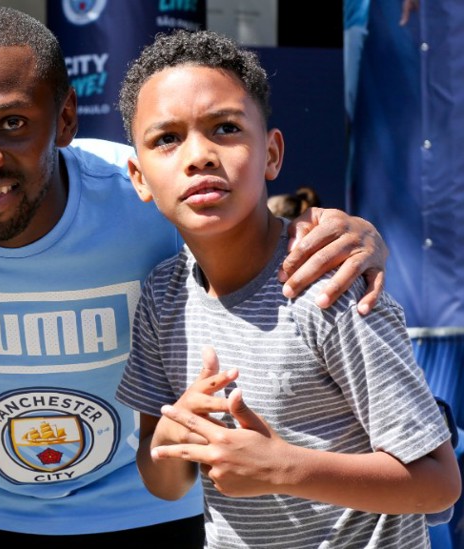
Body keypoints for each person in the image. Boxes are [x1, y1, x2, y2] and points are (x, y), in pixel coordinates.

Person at [0, 6, 389, 547]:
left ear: (66, 118)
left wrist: (349, 232)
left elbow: (250, 227)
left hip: (153, 510)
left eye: (13, 123)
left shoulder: (139, 193)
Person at [115, 30, 459, 548]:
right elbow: (164, 481)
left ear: (272, 153)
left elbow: (438, 483)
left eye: (225, 128)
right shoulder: (164, 297)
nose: (199, 155)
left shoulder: (332, 286)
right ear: (139, 177)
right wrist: (172, 436)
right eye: (167, 139)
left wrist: (284, 469)